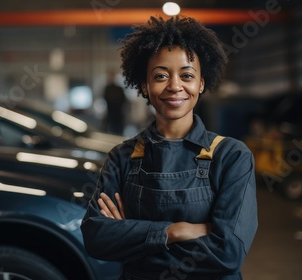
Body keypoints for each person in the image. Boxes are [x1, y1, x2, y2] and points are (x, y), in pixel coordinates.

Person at [81, 16, 258, 280]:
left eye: (187, 75)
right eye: (161, 76)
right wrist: (173, 231)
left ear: (201, 83)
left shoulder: (231, 156)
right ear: (144, 85)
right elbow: (96, 237)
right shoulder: (123, 157)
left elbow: (228, 253)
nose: (175, 86)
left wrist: (133, 238)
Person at [103, 70, 128, 135]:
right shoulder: (107, 88)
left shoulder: (119, 89)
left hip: (118, 113)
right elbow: (105, 98)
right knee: (111, 131)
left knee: (119, 131)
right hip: (111, 114)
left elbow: (123, 100)